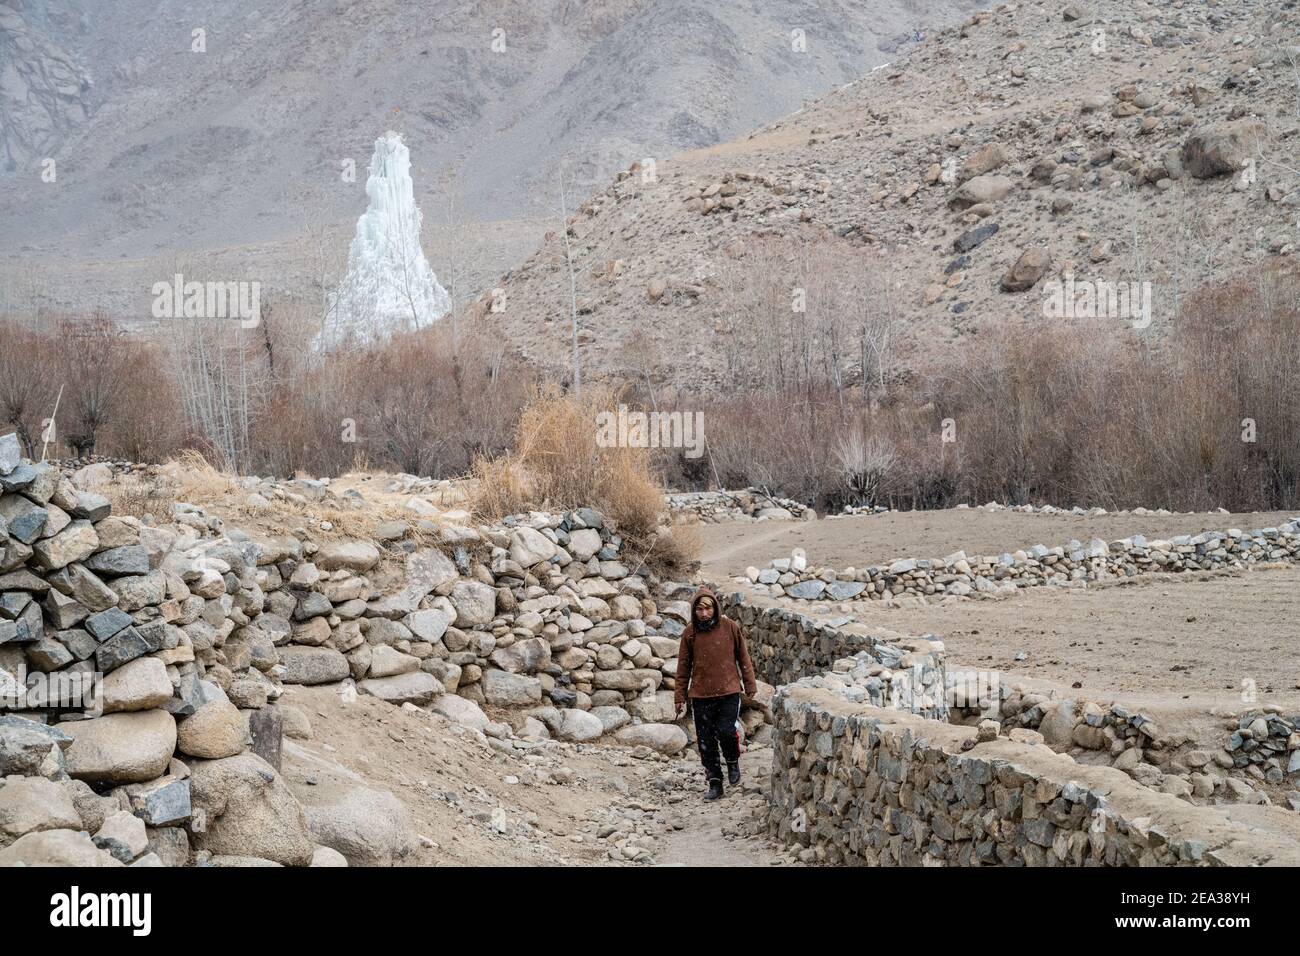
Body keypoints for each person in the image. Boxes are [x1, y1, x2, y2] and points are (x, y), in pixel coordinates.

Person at [673, 587, 757, 800]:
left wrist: (750, 684)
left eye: (708, 608)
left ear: (715, 608)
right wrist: (679, 696)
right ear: (694, 611)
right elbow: (683, 667)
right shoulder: (690, 633)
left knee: (727, 731)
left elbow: (743, 656)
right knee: (705, 740)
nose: (704, 614)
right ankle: (715, 781)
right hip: (701, 695)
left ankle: (732, 760)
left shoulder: (729, 627)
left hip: (729, 690)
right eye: (699, 609)